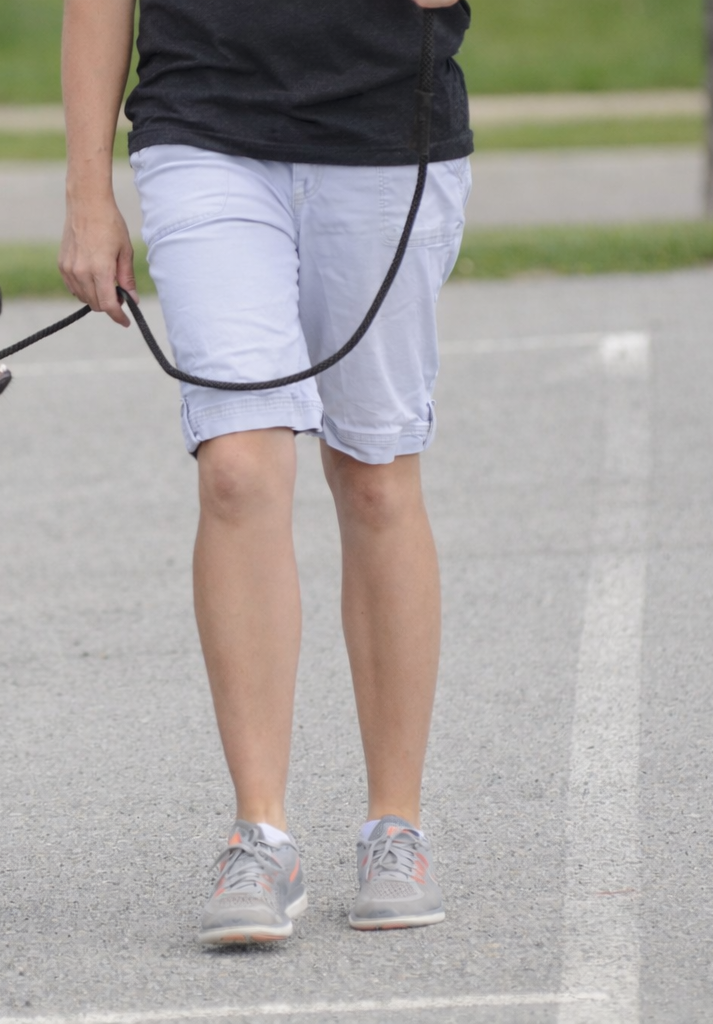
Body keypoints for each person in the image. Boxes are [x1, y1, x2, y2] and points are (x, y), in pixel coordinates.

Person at [59, 0, 473, 943]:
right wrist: (89, 190)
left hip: (386, 135)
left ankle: (394, 829)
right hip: (204, 130)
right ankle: (261, 835)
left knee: (374, 471)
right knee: (238, 469)